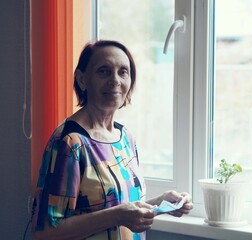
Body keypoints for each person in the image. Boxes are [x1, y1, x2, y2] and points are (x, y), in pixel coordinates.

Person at [31, 40, 193, 240]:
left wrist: (161, 203)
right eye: (103, 71)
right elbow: (46, 232)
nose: (115, 80)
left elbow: (120, 209)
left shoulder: (125, 138)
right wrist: (117, 216)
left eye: (123, 71)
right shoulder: (70, 143)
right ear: (82, 79)